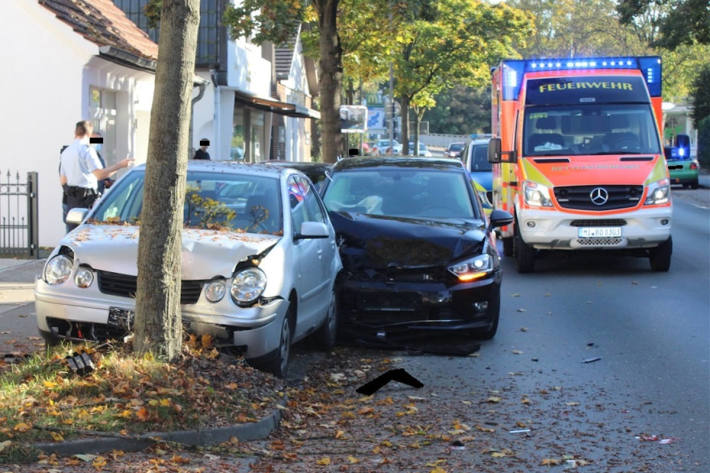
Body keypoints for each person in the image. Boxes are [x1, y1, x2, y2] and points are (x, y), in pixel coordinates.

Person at [60, 120, 133, 232]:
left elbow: (63, 180)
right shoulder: (87, 151)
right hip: (87, 201)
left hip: (72, 202)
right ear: (89, 134)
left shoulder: (66, 152)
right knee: (87, 236)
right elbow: (100, 175)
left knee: (73, 236)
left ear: (75, 132)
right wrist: (121, 165)